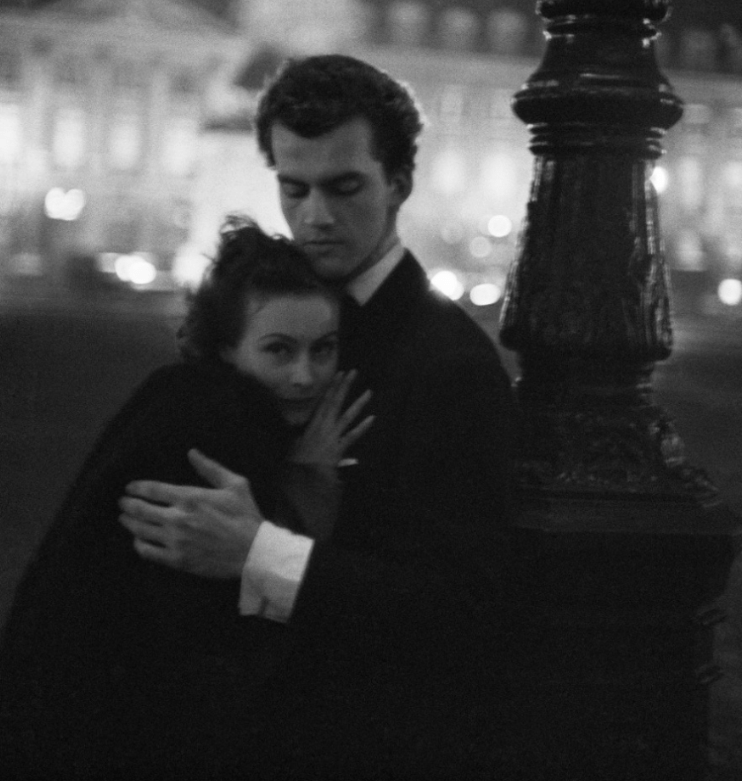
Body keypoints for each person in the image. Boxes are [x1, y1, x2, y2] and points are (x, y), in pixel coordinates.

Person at [118, 54, 515, 779]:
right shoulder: (278, 309)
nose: (315, 217)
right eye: (293, 188)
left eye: (344, 187)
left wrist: (259, 553)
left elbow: (465, 607)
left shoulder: (449, 364)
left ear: (399, 183)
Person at [0, 217, 372, 779]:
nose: (305, 376)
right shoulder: (225, 427)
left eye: (323, 350)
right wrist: (307, 499)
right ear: (227, 347)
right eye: (279, 350)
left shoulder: (179, 396)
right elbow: (214, 644)